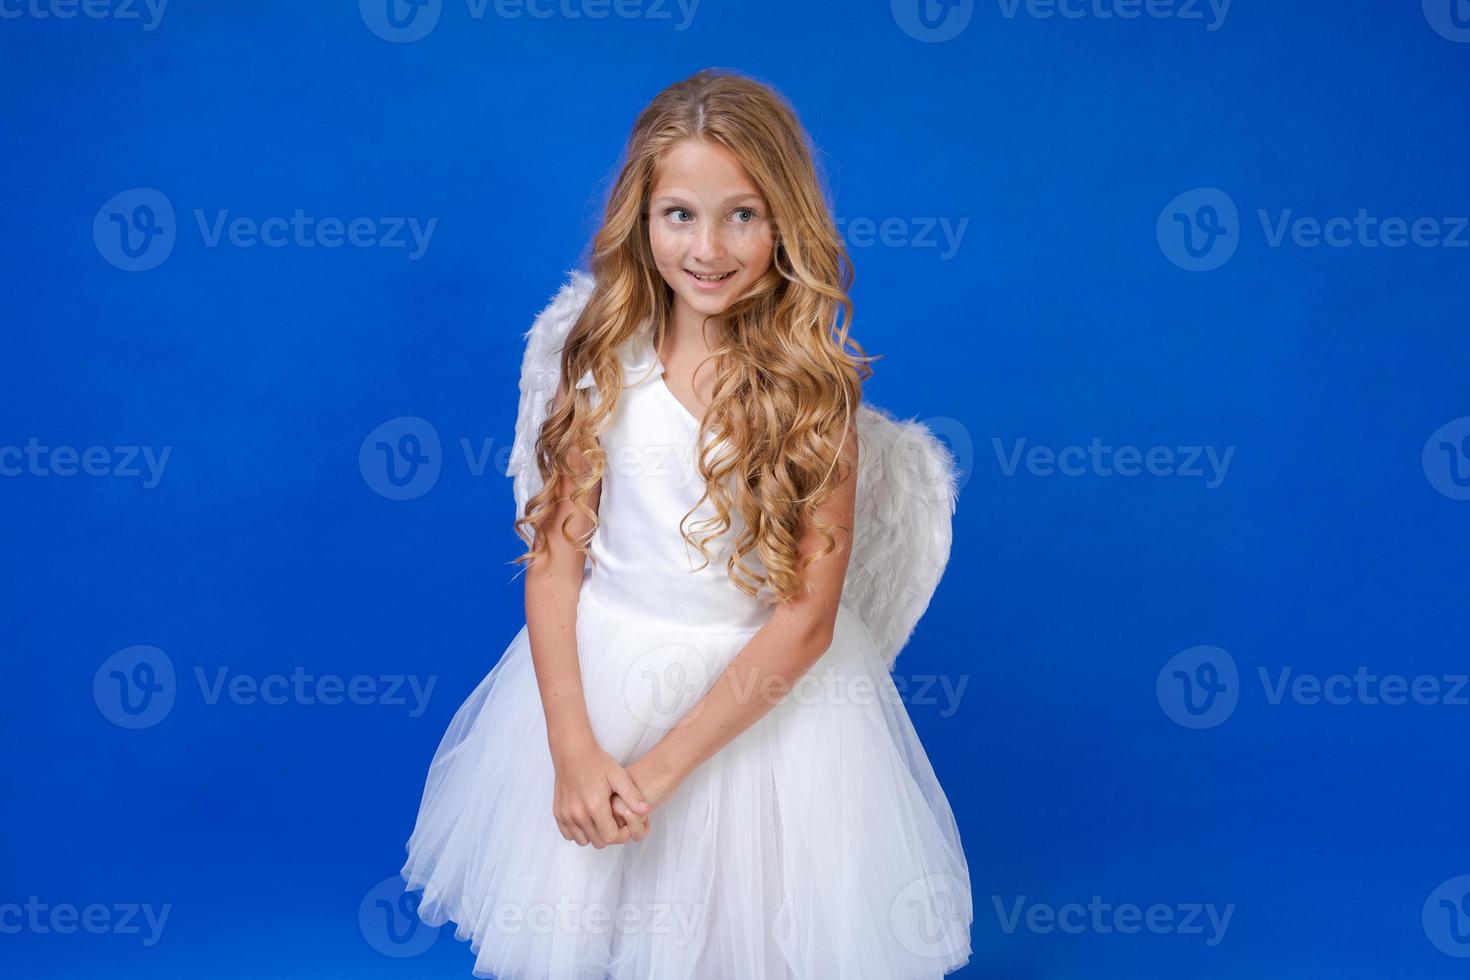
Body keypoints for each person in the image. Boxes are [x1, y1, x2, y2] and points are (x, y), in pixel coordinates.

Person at [400, 66, 973, 979]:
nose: (709, 247)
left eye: (742, 214)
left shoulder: (816, 400)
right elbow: (554, 562)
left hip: (763, 719)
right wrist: (577, 753)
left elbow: (806, 620)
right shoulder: (594, 358)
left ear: (785, 221)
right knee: (607, 932)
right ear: (643, 217)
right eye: (681, 215)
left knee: (742, 939)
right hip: (603, 690)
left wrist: (659, 775)